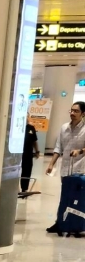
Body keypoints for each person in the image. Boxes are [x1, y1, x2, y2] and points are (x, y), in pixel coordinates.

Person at [46, 100, 85, 235]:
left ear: (83, 114)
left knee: (78, 198)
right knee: (65, 197)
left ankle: (77, 224)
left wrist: (80, 151)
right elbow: (58, 147)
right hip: (65, 169)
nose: (72, 113)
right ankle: (60, 222)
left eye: (76, 111)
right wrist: (51, 164)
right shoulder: (64, 128)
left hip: (80, 170)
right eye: (71, 110)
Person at [21, 120, 39, 194]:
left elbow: (34, 141)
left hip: (28, 153)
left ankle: (24, 189)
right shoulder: (17, 127)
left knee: (27, 171)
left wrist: (37, 151)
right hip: (17, 153)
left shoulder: (31, 128)